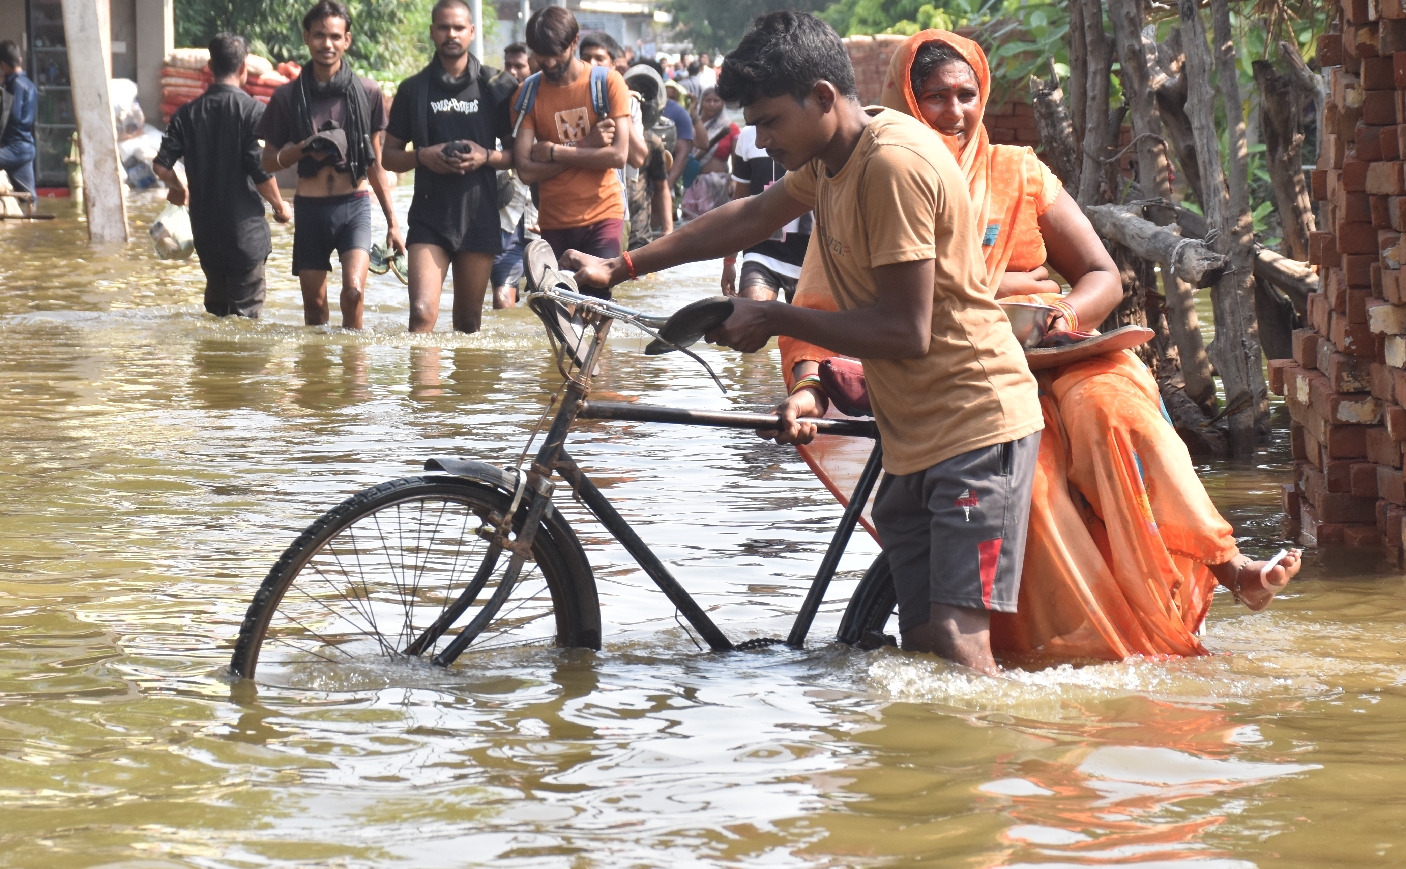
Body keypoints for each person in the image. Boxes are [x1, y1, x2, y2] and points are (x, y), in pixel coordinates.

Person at [776, 29, 1302, 659]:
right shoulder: (876, 175)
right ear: (905, 102)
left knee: (1119, 410)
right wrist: (807, 389)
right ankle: (1078, 644)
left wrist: (1057, 310)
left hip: (1059, 355)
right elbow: (815, 306)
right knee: (1040, 480)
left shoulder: (1019, 172)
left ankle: (1227, 562)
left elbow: (1102, 276)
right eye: (935, 98)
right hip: (968, 382)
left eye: (967, 95)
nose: (954, 112)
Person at [565, 11, 1044, 673]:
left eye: (768, 122)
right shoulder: (833, 155)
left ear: (822, 97)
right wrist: (622, 266)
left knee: (961, 646)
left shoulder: (893, 166)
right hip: (913, 432)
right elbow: (754, 214)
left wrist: (776, 320)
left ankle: (1005, 754)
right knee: (923, 647)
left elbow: (905, 329)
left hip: (975, 426)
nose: (760, 138)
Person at [256, 0, 403, 330]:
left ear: (347, 40)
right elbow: (268, 160)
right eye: (319, 35)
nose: (327, 44)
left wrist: (393, 223)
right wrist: (302, 149)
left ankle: (356, 377)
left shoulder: (368, 92)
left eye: (336, 36)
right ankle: (316, 380)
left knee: (353, 293)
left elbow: (377, 164)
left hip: (355, 206)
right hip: (310, 209)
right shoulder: (287, 97)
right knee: (314, 309)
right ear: (306, 37)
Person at [382, 0, 518, 333]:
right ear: (432, 32)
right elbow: (388, 157)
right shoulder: (413, 89)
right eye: (443, 27)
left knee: (468, 323)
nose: (451, 34)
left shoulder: (496, 86)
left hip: (479, 214)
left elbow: (519, 156)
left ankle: (465, 388)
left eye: (459, 28)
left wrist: (485, 157)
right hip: (429, 216)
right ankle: (425, 388)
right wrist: (422, 156)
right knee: (421, 314)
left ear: (472, 32)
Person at [152, 33, 293, 319]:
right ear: (243, 69)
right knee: (245, 324)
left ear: (210, 68)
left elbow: (161, 167)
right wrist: (281, 207)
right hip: (245, 236)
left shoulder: (185, 114)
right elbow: (260, 169)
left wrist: (179, 187)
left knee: (217, 313)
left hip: (206, 235)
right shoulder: (254, 111)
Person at [511, 7, 631, 266]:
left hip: (605, 214)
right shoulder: (527, 94)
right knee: (561, 303)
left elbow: (619, 156)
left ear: (574, 41)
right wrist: (587, 146)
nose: (549, 63)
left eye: (556, 54)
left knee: (597, 300)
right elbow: (526, 171)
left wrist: (555, 151)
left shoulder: (608, 84)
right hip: (553, 221)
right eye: (541, 56)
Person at [721, 123, 810, 301]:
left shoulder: (812, 132)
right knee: (752, 315)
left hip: (809, 253)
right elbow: (740, 202)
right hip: (760, 249)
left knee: (803, 327)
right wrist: (729, 260)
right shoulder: (747, 136)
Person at [492, 43, 537, 308]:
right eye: (507, 65)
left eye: (518, 66)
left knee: (549, 300)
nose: (512, 72)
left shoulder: (544, 104)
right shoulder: (495, 107)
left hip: (543, 218)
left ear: (531, 68)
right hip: (506, 218)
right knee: (502, 299)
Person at [680, 88, 737, 220]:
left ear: (722, 103)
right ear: (701, 102)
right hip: (692, 182)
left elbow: (737, 160)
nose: (711, 104)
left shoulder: (729, 127)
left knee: (715, 225)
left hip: (718, 185)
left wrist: (734, 181)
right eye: (708, 100)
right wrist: (694, 117)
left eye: (716, 101)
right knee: (690, 226)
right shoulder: (692, 125)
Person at [0, 40, 37, 196]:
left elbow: (6, 118)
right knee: (29, 200)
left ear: (3, 64)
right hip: (26, 148)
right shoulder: (30, 85)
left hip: (11, 148)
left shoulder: (11, 86)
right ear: (19, 59)